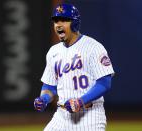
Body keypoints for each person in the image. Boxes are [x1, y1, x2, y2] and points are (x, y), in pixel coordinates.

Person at [34, 3, 115, 131]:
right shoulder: (53, 52)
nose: (58, 24)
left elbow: (104, 83)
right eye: (56, 21)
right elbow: (49, 86)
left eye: (64, 20)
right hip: (61, 116)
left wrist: (80, 101)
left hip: (90, 116)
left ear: (75, 23)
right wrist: (44, 98)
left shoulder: (93, 47)